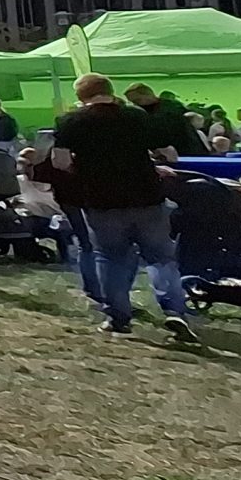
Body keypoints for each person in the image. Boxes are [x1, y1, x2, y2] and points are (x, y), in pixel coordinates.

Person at [51, 74, 193, 342]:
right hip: (147, 197)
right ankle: (174, 310)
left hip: (101, 200)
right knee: (160, 258)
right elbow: (168, 152)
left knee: (110, 258)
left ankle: (118, 318)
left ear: (81, 96)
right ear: (110, 90)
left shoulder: (71, 121)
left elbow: (60, 162)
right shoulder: (137, 116)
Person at [125, 83, 207, 160]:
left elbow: (164, 132)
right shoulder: (149, 111)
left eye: (137, 100)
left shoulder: (170, 108)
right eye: (132, 102)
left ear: (148, 94)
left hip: (185, 150)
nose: (135, 104)